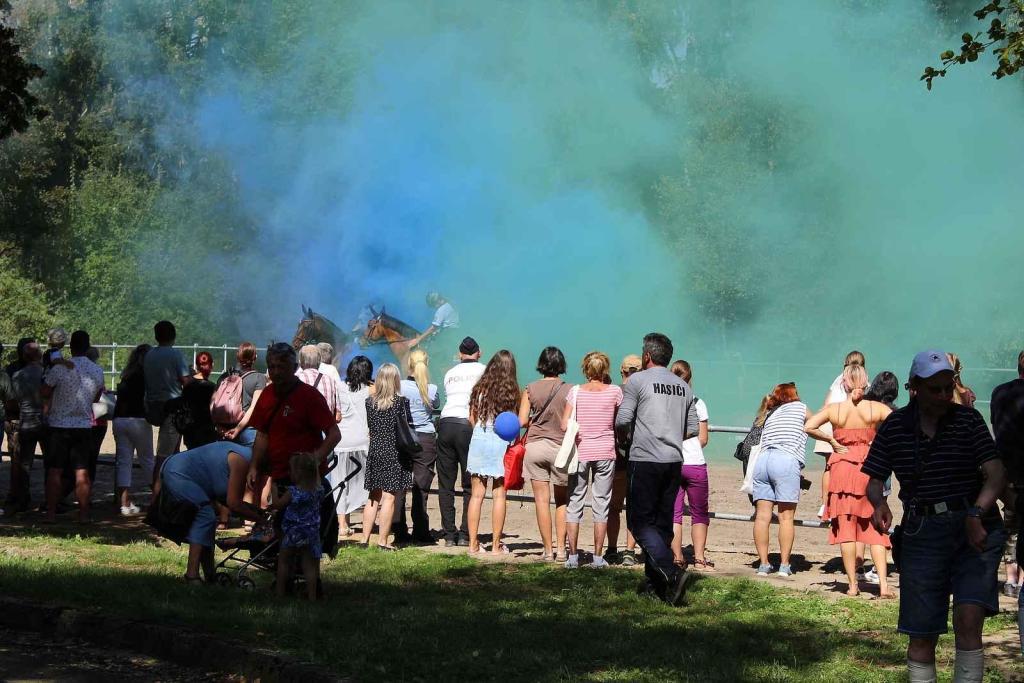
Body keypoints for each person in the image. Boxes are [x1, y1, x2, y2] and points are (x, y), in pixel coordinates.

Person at [864, 350, 1006, 683]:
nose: (943, 395)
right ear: (914, 387)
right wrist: (879, 504)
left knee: (968, 620)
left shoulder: (969, 421)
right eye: (935, 389)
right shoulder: (895, 426)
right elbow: (874, 480)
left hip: (973, 531)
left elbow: (996, 473)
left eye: (947, 387)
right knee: (922, 633)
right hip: (922, 534)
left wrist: (976, 512)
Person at [614, 332, 699, 605]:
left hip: (645, 459)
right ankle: (657, 587)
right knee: (662, 524)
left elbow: (623, 419)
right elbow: (693, 428)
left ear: (647, 356)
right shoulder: (683, 386)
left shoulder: (637, 380)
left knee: (639, 523)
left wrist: (626, 439)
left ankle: (672, 573)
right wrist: (670, 436)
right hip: (673, 461)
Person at [805, 364, 894, 597]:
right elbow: (900, 423)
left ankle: (853, 585)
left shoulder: (835, 410)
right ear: (865, 382)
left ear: (844, 383)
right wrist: (880, 443)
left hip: (842, 467)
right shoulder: (876, 408)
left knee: (846, 528)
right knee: (876, 527)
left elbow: (809, 426)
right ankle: (883, 586)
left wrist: (831, 441)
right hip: (869, 467)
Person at [156, 441, 265, 583]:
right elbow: (234, 504)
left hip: (176, 468)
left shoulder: (244, 457)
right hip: (177, 472)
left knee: (207, 523)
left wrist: (257, 512)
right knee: (205, 516)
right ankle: (191, 576)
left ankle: (210, 575)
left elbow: (229, 501)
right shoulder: (241, 460)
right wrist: (262, 520)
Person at [246, 343, 340, 499]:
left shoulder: (310, 396)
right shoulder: (266, 395)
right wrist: (254, 466)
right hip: (279, 477)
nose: (276, 372)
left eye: (281, 367)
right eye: (272, 367)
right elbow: (262, 434)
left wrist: (314, 459)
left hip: (308, 481)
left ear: (295, 368)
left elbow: (334, 434)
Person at [562, 351, 622, 568]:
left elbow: (564, 424)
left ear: (585, 369)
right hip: (605, 451)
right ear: (605, 370)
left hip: (581, 451)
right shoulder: (615, 392)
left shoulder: (575, 392)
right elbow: (620, 421)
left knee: (574, 502)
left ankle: (572, 557)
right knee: (602, 503)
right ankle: (597, 557)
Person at [41, 330, 105, 523]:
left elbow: (45, 391)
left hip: (58, 424)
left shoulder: (60, 368)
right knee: (82, 471)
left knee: (55, 470)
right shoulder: (97, 370)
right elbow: (96, 398)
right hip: (83, 425)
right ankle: (83, 514)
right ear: (87, 346)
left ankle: (51, 513)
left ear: (71, 347)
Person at [517, 346, 572, 562]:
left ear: (541, 364)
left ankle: (548, 551)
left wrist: (536, 420)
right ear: (561, 364)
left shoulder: (530, 388)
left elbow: (522, 421)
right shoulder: (570, 389)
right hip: (560, 448)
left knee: (541, 500)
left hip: (536, 447)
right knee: (562, 501)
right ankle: (562, 551)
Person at [751, 382, 809, 578]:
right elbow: (817, 421)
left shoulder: (771, 413)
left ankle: (764, 564)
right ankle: (784, 565)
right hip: (785, 460)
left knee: (762, 516)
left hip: (762, 461)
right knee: (786, 517)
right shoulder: (800, 407)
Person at [466, 349, 519, 556]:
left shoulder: (479, 389)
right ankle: (496, 545)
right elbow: (514, 423)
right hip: (501, 443)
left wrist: (480, 431)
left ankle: (473, 544)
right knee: (499, 495)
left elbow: (471, 418)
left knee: (476, 495)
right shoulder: (512, 393)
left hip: (479, 438)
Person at [435, 337, 485, 546]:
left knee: (446, 483)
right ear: (479, 353)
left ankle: (449, 535)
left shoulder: (450, 373)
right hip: (468, 425)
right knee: (470, 483)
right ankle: (465, 534)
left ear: (460, 354)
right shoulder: (484, 370)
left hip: (446, 423)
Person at [360, 363, 414, 550]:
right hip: (394, 452)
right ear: (395, 380)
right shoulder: (401, 402)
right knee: (389, 497)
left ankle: (364, 540)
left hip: (375, 451)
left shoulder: (369, 402)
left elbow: (371, 428)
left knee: (373, 496)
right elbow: (408, 428)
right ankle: (383, 541)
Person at [990, 352, 1024, 624]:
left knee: (1011, 520)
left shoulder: (1000, 392)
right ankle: (1021, 578)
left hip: (1005, 465)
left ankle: (1011, 578)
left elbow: (995, 424)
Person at [669, 360, 713, 571]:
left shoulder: (666, 402)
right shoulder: (698, 402)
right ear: (690, 377)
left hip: (672, 462)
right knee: (699, 513)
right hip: (695, 463)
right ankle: (700, 558)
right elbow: (703, 438)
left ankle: (677, 557)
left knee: (674, 513)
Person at [395, 349, 440, 544]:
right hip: (425, 439)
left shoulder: (399, 386)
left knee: (399, 485)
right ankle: (421, 532)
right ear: (426, 364)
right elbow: (436, 405)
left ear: (409, 365)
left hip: (403, 437)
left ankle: (399, 530)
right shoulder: (432, 389)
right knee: (421, 487)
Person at [814, 351, 866, 519]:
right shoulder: (863, 379)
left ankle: (825, 506)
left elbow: (826, 403)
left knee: (829, 467)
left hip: (828, 421)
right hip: (845, 425)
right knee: (848, 466)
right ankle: (844, 505)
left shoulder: (838, 379)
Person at [327, 355, 373, 538]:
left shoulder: (339, 387)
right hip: (363, 441)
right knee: (366, 483)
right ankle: (367, 522)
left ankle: (342, 525)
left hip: (341, 442)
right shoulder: (371, 390)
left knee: (340, 483)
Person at [272, 451, 324, 600]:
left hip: (293, 532)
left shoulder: (293, 492)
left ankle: (280, 592)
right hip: (311, 532)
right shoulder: (318, 490)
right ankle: (312, 595)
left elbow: (278, 505)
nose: (289, 474)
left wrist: (273, 491)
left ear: (299, 474)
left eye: (291, 471)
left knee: (284, 561)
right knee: (309, 565)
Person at [144, 321, 192, 480]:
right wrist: (192, 376)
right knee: (163, 456)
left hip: (153, 405)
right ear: (173, 336)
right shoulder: (176, 354)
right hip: (172, 408)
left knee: (171, 452)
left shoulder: (149, 354)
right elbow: (186, 381)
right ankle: (156, 491)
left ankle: (169, 487)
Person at [112, 344, 154, 515]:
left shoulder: (127, 375)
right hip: (138, 420)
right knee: (147, 460)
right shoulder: (147, 376)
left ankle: (124, 503)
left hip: (119, 419)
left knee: (124, 461)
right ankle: (158, 498)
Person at [608, 354, 642, 565]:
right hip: (639, 455)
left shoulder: (613, 392)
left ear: (622, 371)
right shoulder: (643, 393)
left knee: (614, 506)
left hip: (616, 455)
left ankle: (611, 548)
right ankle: (629, 550)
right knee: (634, 506)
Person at [6, 341, 44, 514]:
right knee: (51, 463)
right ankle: (52, 499)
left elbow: (13, 400)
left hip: (26, 421)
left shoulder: (17, 376)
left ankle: (22, 499)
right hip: (45, 421)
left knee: (25, 463)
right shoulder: (46, 373)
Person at [221, 342, 267, 448]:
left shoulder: (228, 376)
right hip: (248, 431)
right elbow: (253, 408)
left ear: (238, 357)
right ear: (255, 357)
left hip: (226, 429)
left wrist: (219, 427)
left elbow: (215, 402)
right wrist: (238, 429)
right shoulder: (259, 378)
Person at [296, 344, 338, 419]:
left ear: (300, 362)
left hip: (303, 425)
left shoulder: (296, 379)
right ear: (319, 362)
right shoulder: (330, 380)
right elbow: (338, 415)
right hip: (325, 424)